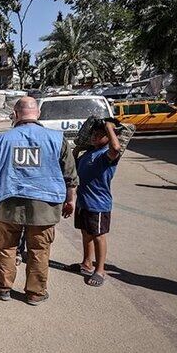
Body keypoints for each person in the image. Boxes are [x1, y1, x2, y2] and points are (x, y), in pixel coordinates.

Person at [0, 97, 78, 306]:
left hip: (8, 203)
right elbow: (70, 175)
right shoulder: (57, 139)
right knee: (39, 250)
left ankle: (2, 287)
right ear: (38, 114)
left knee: (7, 247)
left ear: (15, 115)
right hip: (45, 205)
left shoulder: (1, 140)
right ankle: (35, 293)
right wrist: (71, 200)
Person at [69, 119, 121, 287]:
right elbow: (72, 167)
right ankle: (86, 263)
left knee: (98, 236)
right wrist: (77, 149)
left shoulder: (107, 155)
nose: (94, 137)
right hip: (83, 202)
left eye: (100, 135)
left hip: (98, 203)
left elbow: (116, 148)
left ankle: (100, 270)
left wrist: (108, 127)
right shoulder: (89, 153)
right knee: (86, 233)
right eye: (93, 134)